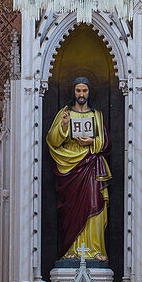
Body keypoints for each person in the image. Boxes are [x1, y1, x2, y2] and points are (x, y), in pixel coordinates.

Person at [46, 77, 111, 262]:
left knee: (95, 204)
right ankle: (72, 250)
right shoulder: (65, 113)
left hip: (91, 166)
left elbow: (107, 143)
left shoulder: (96, 115)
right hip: (71, 169)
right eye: (78, 91)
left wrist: (92, 142)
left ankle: (96, 249)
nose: (81, 94)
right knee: (72, 209)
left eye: (84, 91)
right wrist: (65, 125)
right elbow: (52, 141)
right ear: (73, 92)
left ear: (89, 92)